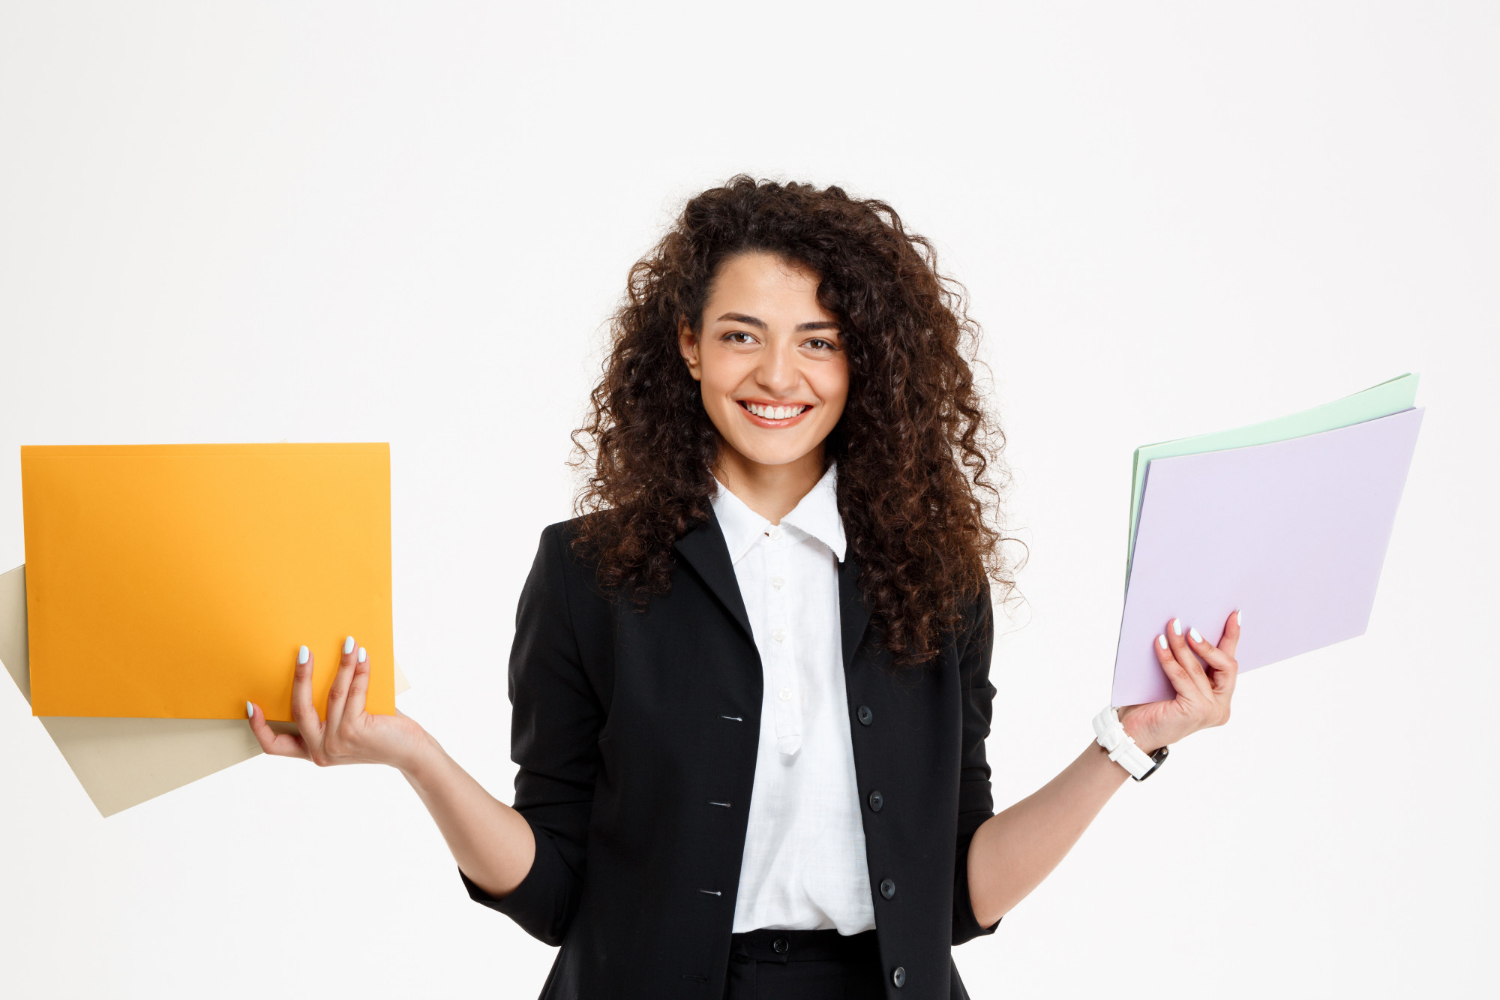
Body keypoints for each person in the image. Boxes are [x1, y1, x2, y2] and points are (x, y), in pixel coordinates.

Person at [246, 176, 1240, 1000]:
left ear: (865, 362)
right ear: (687, 344)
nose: (779, 373)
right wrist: (410, 752)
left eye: (818, 339)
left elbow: (954, 898)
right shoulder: (584, 573)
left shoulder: (933, 581)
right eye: (741, 335)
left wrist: (1129, 742)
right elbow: (552, 893)